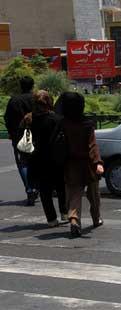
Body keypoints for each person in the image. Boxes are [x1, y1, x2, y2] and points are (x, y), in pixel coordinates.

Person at [60, 92, 104, 238]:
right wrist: (98, 162)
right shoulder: (87, 124)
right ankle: (96, 218)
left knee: (74, 194)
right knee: (94, 195)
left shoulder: (63, 123)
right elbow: (92, 145)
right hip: (88, 164)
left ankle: (74, 219)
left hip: (70, 164)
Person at [24, 90, 67, 227]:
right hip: (56, 159)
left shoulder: (28, 119)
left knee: (44, 191)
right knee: (61, 186)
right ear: (50, 102)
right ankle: (64, 212)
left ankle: (51, 219)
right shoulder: (57, 119)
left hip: (37, 159)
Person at [4, 76, 37, 205]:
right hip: (37, 134)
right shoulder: (37, 98)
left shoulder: (14, 100)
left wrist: (12, 133)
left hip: (19, 135)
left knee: (23, 163)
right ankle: (37, 187)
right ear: (32, 85)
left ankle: (29, 189)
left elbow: (8, 119)